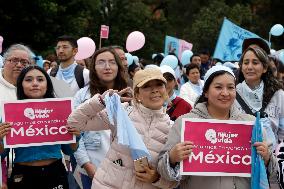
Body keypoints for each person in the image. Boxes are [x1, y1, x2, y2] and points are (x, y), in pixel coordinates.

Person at [157, 65, 274, 189]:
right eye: (218, 87)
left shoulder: (251, 125)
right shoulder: (184, 123)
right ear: (206, 92)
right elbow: (163, 171)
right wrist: (172, 158)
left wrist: (266, 158)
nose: (225, 93)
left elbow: (272, 172)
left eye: (230, 87)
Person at [68, 68, 177, 189]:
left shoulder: (173, 129)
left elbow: (175, 181)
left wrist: (156, 178)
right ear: (137, 94)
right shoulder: (122, 112)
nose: (155, 90)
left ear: (166, 90)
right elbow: (74, 122)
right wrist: (101, 101)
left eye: (159, 85)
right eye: (146, 86)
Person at [0, 65, 80, 189]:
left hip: (55, 172)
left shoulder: (60, 111)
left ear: (47, 84)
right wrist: (0, 138)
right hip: (23, 175)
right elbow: (2, 154)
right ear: (21, 85)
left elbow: (69, 150)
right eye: (28, 80)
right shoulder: (9, 113)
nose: (35, 83)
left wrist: (75, 136)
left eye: (40, 79)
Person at [73, 47, 127, 189]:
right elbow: (74, 131)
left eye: (112, 62)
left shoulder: (131, 93)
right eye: (101, 62)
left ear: (118, 66)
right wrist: (87, 164)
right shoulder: (82, 95)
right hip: (93, 166)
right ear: (93, 68)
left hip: (126, 169)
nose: (107, 67)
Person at [235, 46, 284, 188]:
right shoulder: (231, 92)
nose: (249, 67)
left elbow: (282, 134)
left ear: (264, 68)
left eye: (255, 62)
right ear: (241, 67)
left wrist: (271, 156)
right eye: (246, 62)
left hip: (270, 164)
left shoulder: (278, 94)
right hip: (238, 161)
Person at [0, 44, 33, 188]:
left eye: (24, 62)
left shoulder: (35, 87)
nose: (19, 65)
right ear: (4, 62)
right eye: (14, 60)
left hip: (29, 161)